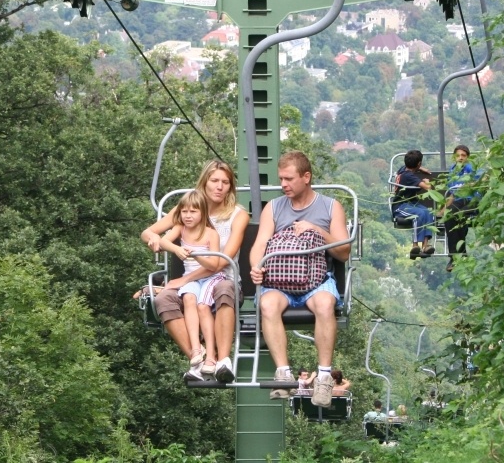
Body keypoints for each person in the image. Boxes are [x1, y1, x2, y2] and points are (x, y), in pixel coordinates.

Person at [249, 151, 350, 408]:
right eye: (281, 179)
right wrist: (256, 267)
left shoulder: (330, 207)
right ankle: (283, 372)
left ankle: (324, 377)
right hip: (279, 281)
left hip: (316, 281)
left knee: (326, 304)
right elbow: (260, 244)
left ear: (306, 177)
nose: (283, 185)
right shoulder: (273, 208)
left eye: (289, 179)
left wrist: (317, 230)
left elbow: (343, 252)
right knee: (268, 305)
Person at [142, 160, 250, 382]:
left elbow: (222, 262)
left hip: (222, 278)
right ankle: (197, 356)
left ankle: (222, 360)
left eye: (225, 182)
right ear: (205, 182)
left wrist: (182, 280)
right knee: (163, 299)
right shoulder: (188, 210)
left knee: (224, 289)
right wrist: (154, 238)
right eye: (214, 181)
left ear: (231, 187)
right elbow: (149, 232)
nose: (219, 187)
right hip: (191, 284)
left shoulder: (237, 216)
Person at [153, 190, 224, 379]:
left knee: (202, 307)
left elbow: (215, 265)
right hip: (191, 279)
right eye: (184, 212)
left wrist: (196, 255)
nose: (188, 216)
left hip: (210, 278)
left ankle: (211, 354)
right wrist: (177, 248)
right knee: (189, 299)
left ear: (203, 213)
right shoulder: (181, 229)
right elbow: (162, 240)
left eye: (193, 212)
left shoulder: (211, 234)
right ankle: (195, 349)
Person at [443, 145, 480, 272]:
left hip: (472, 200)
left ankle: (460, 255)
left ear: (467, 157)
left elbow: (482, 178)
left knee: (460, 215)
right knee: (449, 217)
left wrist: (471, 184)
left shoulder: (471, 168)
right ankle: (455, 256)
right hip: (458, 200)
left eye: (463, 156)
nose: (460, 158)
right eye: (458, 155)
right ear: (454, 157)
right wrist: (444, 208)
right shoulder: (453, 171)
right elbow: (452, 193)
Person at [393, 149, 435, 260]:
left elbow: (406, 166)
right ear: (419, 163)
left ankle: (425, 245)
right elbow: (428, 188)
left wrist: (420, 168)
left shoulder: (402, 170)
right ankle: (415, 246)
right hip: (400, 205)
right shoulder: (409, 176)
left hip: (412, 203)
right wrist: (427, 181)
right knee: (419, 214)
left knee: (429, 212)